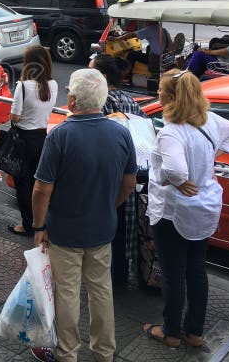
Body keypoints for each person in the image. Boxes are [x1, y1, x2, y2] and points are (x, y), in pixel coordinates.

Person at [32, 69, 137, 362]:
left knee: (67, 292)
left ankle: (68, 354)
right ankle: (104, 351)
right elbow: (129, 184)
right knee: (101, 289)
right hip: (103, 228)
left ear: (74, 100)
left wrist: (39, 225)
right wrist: (108, 204)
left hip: (64, 230)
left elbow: (42, 190)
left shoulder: (60, 135)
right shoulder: (121, 133)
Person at [141, 70, 229, 349]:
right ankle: (195, 332)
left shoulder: (171, 133)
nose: (157, 94)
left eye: (161, 90)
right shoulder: (210, 121)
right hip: (204, 208)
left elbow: (173, 168)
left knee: (174, 272)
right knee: (197, 270)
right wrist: (208, 159)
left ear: (172, 97)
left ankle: (171, 331)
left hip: (174, 212)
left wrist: (180, 180)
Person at [90, 53, 149, 287]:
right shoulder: (130, 100)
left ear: (102, 77)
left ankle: (109, 279)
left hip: (108, 178)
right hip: (129, 174)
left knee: (107, 229)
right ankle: (120, 276)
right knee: (124, 228)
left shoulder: (101, 104)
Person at [8, 45, 57, 237]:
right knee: (39, 183)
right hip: (42, 138)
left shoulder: (23, 86)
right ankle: (40, 222)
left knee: (23, 184)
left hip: (23, 140)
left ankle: (27, 224)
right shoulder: (52, 85)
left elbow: (15, 117)